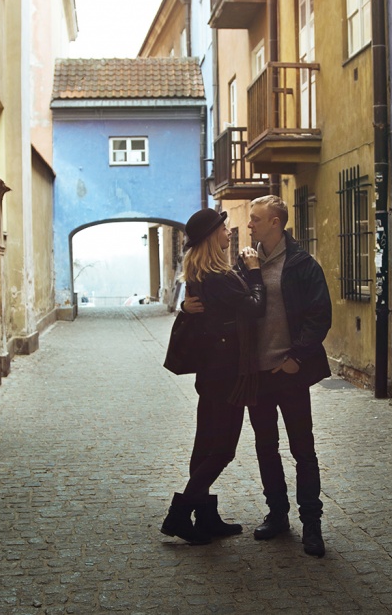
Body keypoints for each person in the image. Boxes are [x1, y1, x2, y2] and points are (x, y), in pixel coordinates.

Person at [184, 195, 332, 557]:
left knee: (303, 450)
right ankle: (277, 514)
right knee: (266, 447)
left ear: (275, 223)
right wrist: (185, 308)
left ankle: (312, 524)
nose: (247, 225)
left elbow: (319, 316)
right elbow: (221, 304)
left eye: (255, 219)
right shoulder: (243, 264)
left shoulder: (302, 264)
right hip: (256, 375)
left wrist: (297, 357)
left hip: (290, 372)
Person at [161, 208, 264, 545]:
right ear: (210, 237)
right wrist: (255, 271)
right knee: (222, 449)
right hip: (228, 372)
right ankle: (179, 514)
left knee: (205, 445)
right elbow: (255, 306)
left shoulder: (201, 275)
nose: (229, 232)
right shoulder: (218, 278)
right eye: (223, 228)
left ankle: (205, 516)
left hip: (210, 372)